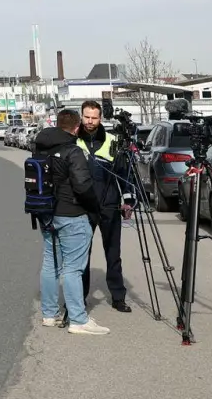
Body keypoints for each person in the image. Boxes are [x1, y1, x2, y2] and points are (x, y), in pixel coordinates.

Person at [33, 108, 108, 335]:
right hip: (72, 214)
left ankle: (49, 314)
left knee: (51, 265)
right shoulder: (72, 151)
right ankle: (78, 319)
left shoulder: (40, 148)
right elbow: (83, 185)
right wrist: (95, 207)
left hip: (46, 213)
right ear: (76, 128)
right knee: (74, 268)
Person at [77, 101, 132, 314]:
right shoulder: (74, 140)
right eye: (87, 117)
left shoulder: (112, 141)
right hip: (82, 207)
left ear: (101, 119)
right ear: (81, 116)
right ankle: (79, 298)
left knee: (113, 253)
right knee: (81, 255)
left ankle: (118, 297)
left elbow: (124, 174)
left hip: (109, 204)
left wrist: (128, 200)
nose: (90, 121)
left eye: (94, 117)